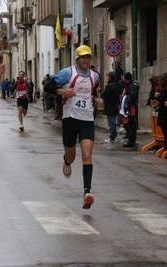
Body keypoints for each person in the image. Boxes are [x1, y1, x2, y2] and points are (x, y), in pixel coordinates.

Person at [44, 45, 102, 209]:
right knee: (71, 156)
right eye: (83, 57)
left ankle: (86, 193)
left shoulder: (95, 76)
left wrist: (96, 98)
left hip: (87, 120)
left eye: (88, 57)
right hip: (70, 119)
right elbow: (48, 86)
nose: (86, 60)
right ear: (77, 58)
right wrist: (62, 92)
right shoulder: (67, 73)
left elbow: (93, 92)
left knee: (87, 155)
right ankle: (66, 162)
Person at [101, 71, 121, 143]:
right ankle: (113, 136)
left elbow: (104, 94)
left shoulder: (109, 86)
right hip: (115, 105)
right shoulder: (117, 85)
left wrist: (102, 90)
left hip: (110, 105)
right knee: (113, 121)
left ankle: (112, 137)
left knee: (111, 122)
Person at [121, 72, 139, 148]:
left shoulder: (131, 87)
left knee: (131, 125)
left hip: (130, 108)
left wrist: (127, 103)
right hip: (130, 107)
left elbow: (133, 96)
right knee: (130, 125)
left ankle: (131, 141)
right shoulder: (130, 86)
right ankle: (131, 140)